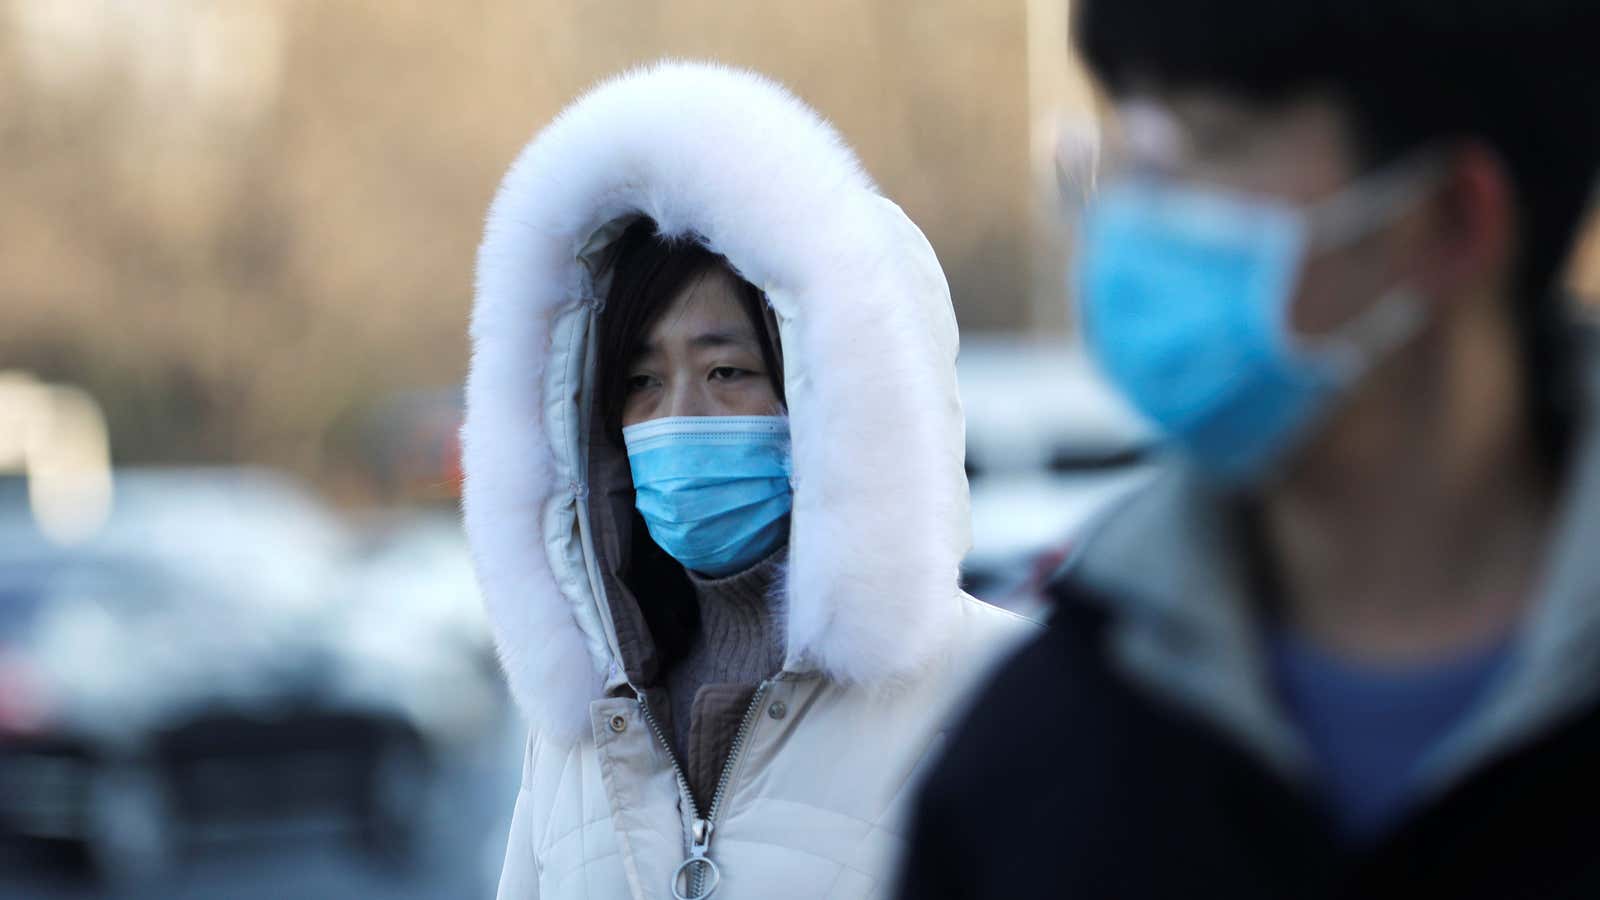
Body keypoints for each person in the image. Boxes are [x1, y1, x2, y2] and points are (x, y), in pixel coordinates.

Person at [897, 2, 1600, 897]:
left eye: (1209, 146)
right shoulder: (1042, 756)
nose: (1133, 217)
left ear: (1453, 220)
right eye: (1136, 150)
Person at [461, 61, 1032, 900]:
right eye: (639, 383)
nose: (677, 417)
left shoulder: (1006, 695)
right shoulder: (584, 735)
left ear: (843, 396)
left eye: (727, 371)